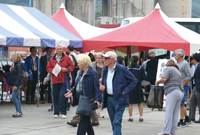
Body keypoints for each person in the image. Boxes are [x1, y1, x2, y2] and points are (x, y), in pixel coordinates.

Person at [100, 51, 138, 135]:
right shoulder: (105, 70)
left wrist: (125, 91)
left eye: (106, 58)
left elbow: (134, 80)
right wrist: (102, 86)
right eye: (104, 58)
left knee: (116, 122)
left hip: (120, 98)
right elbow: (104, 82)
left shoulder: (122, 69)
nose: (104, 60)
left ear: (112, 60)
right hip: (109, 98)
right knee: (114, 122)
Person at [65, 54, 102, 135]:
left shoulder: (93, 73)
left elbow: (96, 87)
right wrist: (72, 91)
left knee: (83, 121)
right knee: (87, 121)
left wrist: (98, 99)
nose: (77, 65)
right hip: (81, 99)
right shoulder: (80, 72)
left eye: (79, 63)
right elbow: (77, 84)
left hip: (88, 99)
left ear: (84, 63)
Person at [156, 59, 184, 135]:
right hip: (180, 92)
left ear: (167, 64)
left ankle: (166, 131)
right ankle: (173, 131)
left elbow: (165, 79)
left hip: (172, 92)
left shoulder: (168, 68)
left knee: (168, 112)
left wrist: (158, 82)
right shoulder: (177, 71)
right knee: (175, 113)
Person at [46, 45, 74, 119]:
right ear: (55, 50)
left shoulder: (67, 58)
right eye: (58, 49)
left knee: (63, 96)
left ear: (62, 50)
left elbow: (72, 67)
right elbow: (48, 68)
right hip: (55, 80)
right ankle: (56, 112)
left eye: (60, 49)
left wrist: (66, 69)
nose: (59, 50)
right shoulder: (52, 58)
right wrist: (52, 71)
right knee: (55, 96)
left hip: (64, 80)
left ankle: (64, 112)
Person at [174, 49, 192, 127]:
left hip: (183, 86)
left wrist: (183, 85)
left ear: (179, 55)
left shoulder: (185, 64)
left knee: (181, 103)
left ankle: (182, 121)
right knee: (180, 103)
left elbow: (189, 75)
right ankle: (187, 118)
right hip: (179, 86)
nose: (174, 56)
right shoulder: (178, 63)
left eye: (175, 54)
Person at [128, 56, 146, 122]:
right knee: (139, 102)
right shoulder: (141, 68)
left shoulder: (128, 68)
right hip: (138, 86)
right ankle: (141, 117)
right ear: (138, 61)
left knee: (130, 103)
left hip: (130, 86)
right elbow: (144, 77)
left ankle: (130, 117)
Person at [10, 53, 24, 117]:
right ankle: (19, 111)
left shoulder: (18, 65)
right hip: (16, 82)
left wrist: (16, 85)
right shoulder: (16, 64)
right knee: (17, 97)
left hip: (16, 83)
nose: (11, 59)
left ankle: (18, 111)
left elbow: (19, 75)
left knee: (13, 97)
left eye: (12, 58)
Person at [92, 52, 105, 118]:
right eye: (96, 57)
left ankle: (100, 112)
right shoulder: (93, 64)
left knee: (101, 97)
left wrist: (102, 78)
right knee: (95, 97)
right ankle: (95, 112)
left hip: (102, 83)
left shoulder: (105, 65)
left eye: (99, 58)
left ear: (103, 58)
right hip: (95, 82)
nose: (97, 59)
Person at [189, 53, 200, 123]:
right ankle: (191, 117)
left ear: (194, 60)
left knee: (199, 102)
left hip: (199, 86)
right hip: (195, 86)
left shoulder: (199, 66)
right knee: (192, 101)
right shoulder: (196, 66)